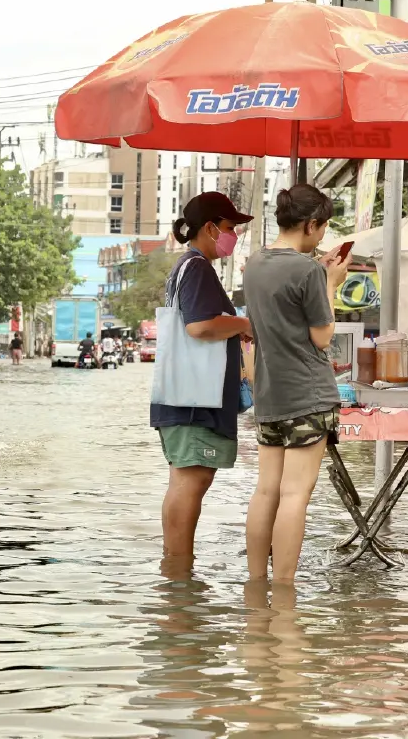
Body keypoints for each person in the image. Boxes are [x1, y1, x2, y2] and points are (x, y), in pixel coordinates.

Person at [242, 184, 350, 585]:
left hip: (269, 395)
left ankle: (256, 586)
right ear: (309, 224)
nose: (323, 236)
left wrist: (317, 274)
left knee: (266, 491)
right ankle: (284, 592)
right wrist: (330, 283)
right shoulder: (308, 272)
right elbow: (321, 337)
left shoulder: (254, 264)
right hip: (308, 396)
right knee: (294, 495)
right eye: (322, 227)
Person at [150, 192, 254, 565]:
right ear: (210, 228)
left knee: (189, 480)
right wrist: (245, 323)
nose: (234, 236)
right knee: (189, 481)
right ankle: (178, 570)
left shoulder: (188, 267)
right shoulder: (196, 268)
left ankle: (176, 568)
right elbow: (199, 326)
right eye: (230, 228)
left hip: (188, 396)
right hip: (192, 398)